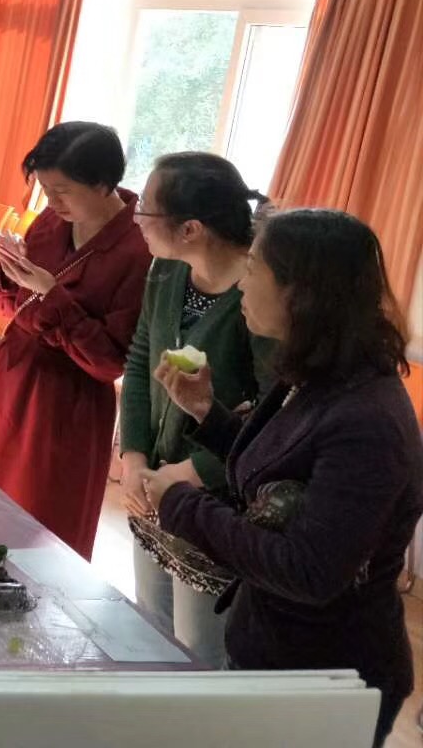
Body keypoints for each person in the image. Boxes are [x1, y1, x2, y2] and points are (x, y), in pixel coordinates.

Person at [145, 210, 423, 748]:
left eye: (253, 268)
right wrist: (208, 415)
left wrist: (181, 503)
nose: (241, 283)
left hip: (325, 677)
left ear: (301, 293)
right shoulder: (320, 373)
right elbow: (283, 468)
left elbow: (309, 569)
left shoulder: (368, 420)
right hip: (271, 648)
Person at [0, 122, 150, 559]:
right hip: (9, 378)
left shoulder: (138, 249)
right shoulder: (52, 221)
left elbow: (109, 362)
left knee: (39, 529)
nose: (52, 202)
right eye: (45, 190)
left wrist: (50, 293)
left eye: (62, 191)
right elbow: (16, 305)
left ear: (103, 184)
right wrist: (10, 269)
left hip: (66, 403)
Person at [119, 153, 274, 668]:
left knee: (198, 650)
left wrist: (188, 473)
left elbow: (273, 416)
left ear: (190, 229)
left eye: (145, 208)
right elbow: (141, 359)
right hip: (155, 483)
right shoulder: (166, 270)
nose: (136, 218)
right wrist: (134, 457)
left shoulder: (259, 295)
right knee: (150, 628)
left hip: (216, 501)